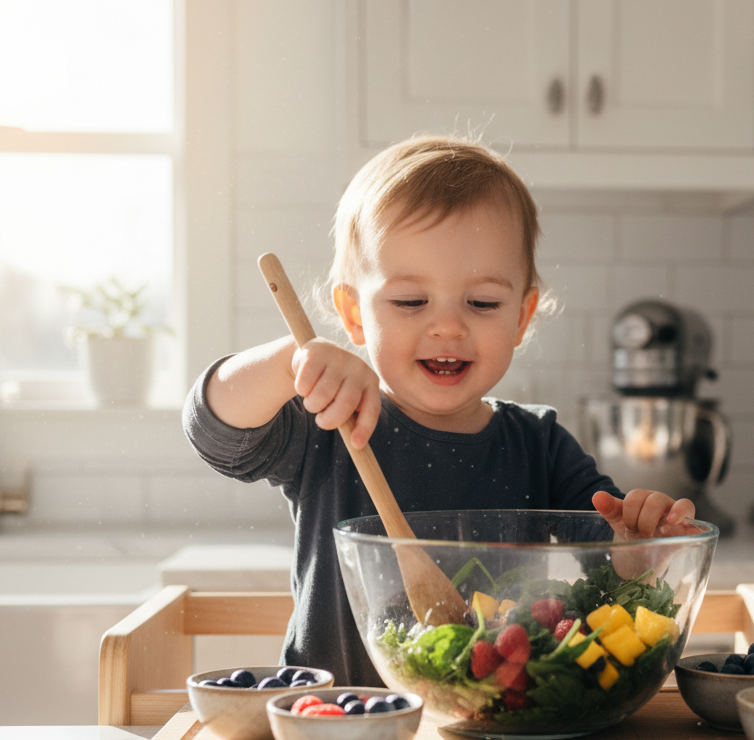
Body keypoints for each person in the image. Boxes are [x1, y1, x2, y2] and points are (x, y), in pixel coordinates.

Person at [184, 135, 696, 685]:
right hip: (338, 721)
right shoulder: (329, 418)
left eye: (482, 303)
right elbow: (213, 429)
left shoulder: (540, 444)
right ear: (354, 315)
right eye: (410, 301)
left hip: (496, 720)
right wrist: (289, 364)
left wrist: (637, 550)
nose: (448, 326)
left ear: (522, 318)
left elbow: (608, 566)